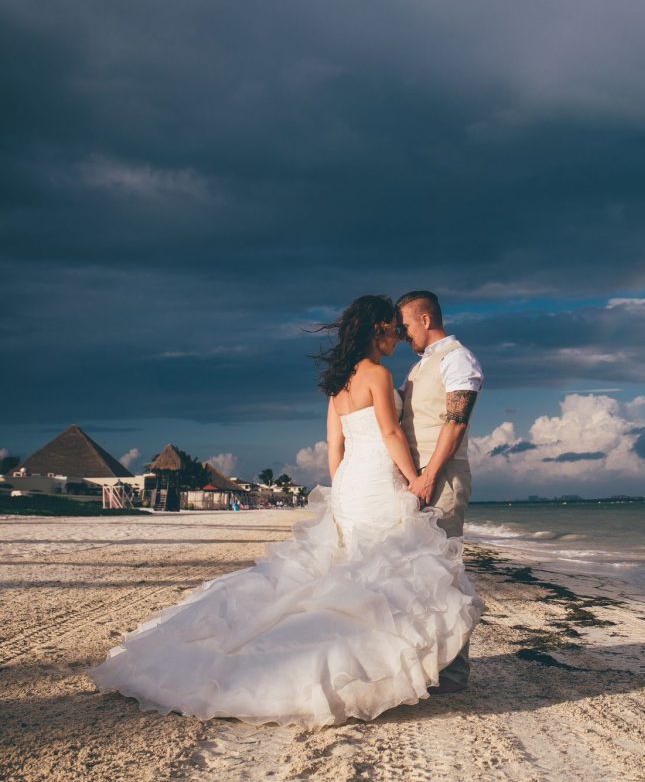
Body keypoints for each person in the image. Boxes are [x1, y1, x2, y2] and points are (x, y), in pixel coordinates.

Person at [87, 295, 484, 728]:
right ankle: (402, 668)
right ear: (376, 330)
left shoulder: (342, 382)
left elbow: (336, 448)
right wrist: (411, 479)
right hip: (380, 478)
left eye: (401, 327)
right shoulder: (380, 373)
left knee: (358, 570)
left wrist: (341, 489)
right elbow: (390, 432)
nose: (397, 334)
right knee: (392, 571)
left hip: (352, 481)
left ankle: (427, 667)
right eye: (392, 328)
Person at [396, 290, 483, 693]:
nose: (403, 333)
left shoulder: (457, 358)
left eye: (407, 325)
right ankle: (431, 663)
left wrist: (430, 474)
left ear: (426, 320)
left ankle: (453, 673)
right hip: (420, 476)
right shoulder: (420, 365)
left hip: (443, 475)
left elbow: (456, 422)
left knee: (445, 571)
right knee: (418, 572)